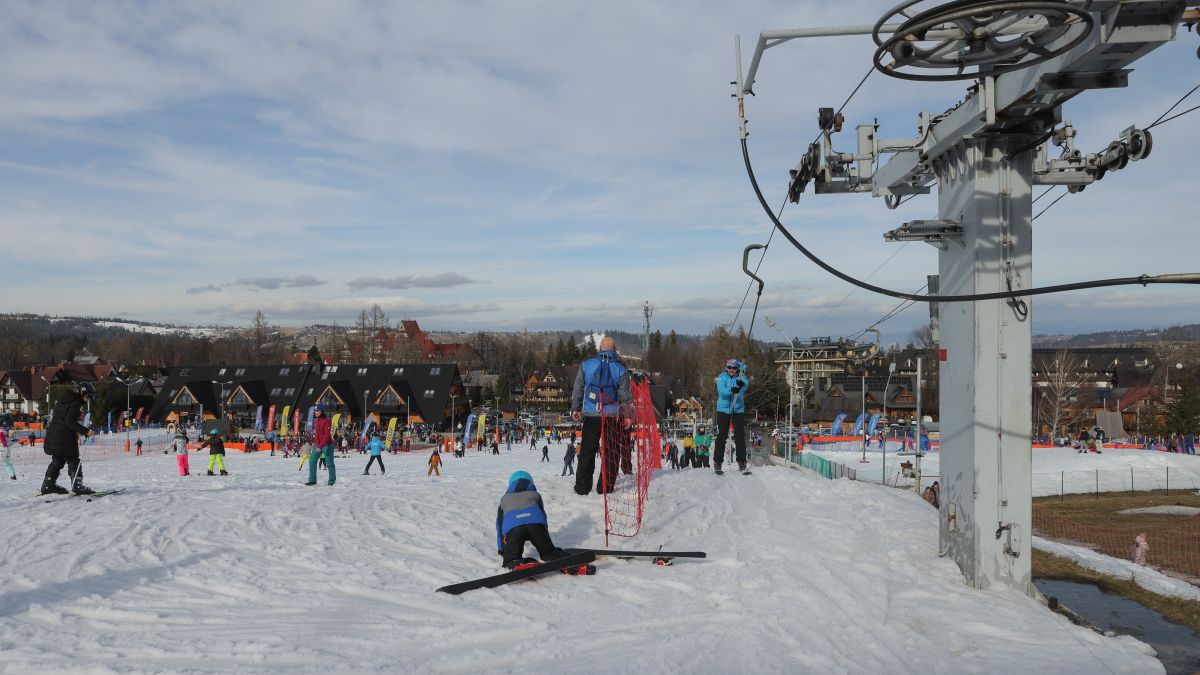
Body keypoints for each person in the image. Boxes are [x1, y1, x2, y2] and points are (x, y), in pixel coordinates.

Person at [570, 337, 633, 496]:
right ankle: (605, 487)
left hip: (591, 414)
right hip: (611, 415)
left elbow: (578, 387)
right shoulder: (620, 368)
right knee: (611, 451)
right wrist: (628, 415)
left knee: (587, 450)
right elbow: (625, 396)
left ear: (599, 348)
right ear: (615, 350)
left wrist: (576, 408)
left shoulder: (587, 364)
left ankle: (582, 487)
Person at [496, 471, 588, 573]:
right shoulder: (535, 494)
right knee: (548, 553)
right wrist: (544, 535)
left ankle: (516, 562)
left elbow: (499, 526)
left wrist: (502, 550)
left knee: (512, 558)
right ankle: (570, 563)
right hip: (536, 526)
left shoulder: (504, 499)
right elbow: (542, 514)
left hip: (514, 529)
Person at [40, 381, 97, 495]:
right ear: (82, 394)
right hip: (63, 438)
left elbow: (63, 417)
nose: (87, 400)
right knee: (73, 459)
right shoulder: (75, 403)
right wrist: (86, 431)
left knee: (58, 459)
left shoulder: (64, 400)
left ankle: (48, 485)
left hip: (52, 435)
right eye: (87, 397)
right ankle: (77, 486)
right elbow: (69, 422)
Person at [714, 358, 749, 473]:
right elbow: (722, 391)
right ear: (726, 368)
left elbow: (745, 386)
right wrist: (732, 390)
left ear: (737, 368)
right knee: (722, 435)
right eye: (729, 368)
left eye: (734, 368)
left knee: (739, 435)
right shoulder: (721, 377)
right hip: (723, 409)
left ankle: (742, 461)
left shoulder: (741, 376)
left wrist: (741, 385)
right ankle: (717, 462)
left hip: (737, 409)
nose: (732, 370)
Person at [306, 404, 336, 486]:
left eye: (317, 410)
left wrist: (320, 446)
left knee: (329, 463)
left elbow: (326, 435)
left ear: (322, 411)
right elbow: (317, 433)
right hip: (317, 444)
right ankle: (312, 480)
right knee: (312, 461)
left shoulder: (327, 421)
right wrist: (314, 443)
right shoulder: (315, 420)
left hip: (327, 445)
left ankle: (331, 481)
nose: (316, 412)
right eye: (315, 411)